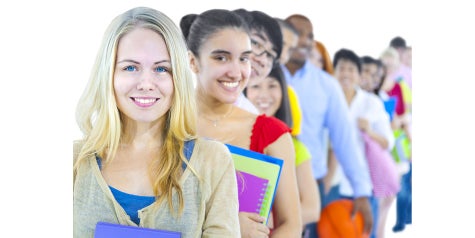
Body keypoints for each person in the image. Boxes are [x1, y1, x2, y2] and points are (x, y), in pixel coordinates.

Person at [73, 7, 240, 238]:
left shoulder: (213, 160)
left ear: (177, 79)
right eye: (130, 67)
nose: (146, 83)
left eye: (161, 69)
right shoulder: (74, 160)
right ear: (109, 75)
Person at [180, 9, 302, 238]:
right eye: (221, 57)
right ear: (193, 62)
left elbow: (291, 226)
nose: (236, 72)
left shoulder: (272, 135)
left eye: (244, 58)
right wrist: (227, 226)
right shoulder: (162, 125)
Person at [283, 14, 374, 235]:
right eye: (298, 33)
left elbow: (345, 140)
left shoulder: (327, 85)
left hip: (311, 185)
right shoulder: (264, 77)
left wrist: (361, 192)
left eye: (310, 36)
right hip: (270, 180)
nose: (305, 40)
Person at [245, 65, 321, 238]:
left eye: (272, 85)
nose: (264, 94)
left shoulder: (296, 147)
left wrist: (270, 219)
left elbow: (312, 208)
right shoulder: (235, 139)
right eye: (256, 86)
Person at [333, 49, 398, 238]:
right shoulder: (329, 99)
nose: (346, 73)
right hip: (333, 185)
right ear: (334, 71)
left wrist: (369, 131)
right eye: (341, 68)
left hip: (364, 185)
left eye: (351, 69)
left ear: (359, 74)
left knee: (364, 233)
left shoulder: (371, 103)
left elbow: (389, 143)